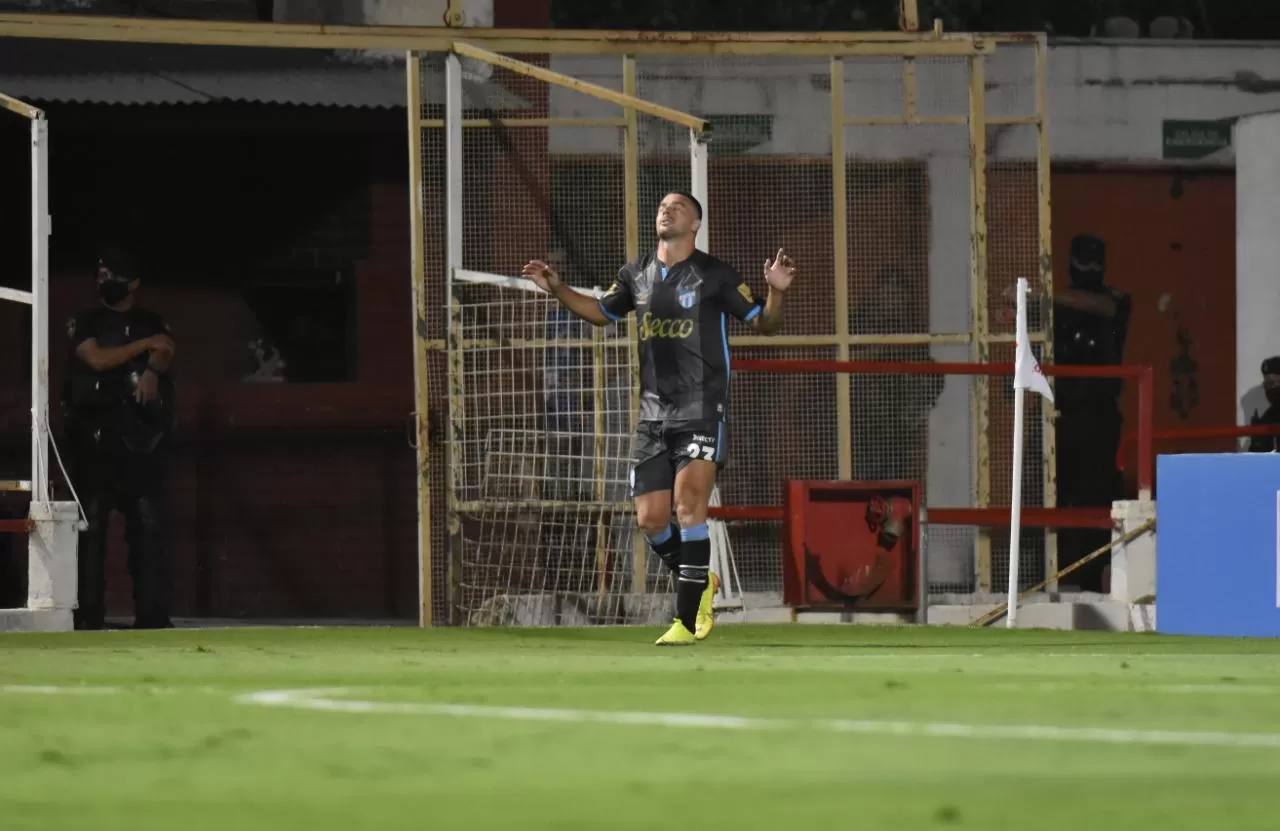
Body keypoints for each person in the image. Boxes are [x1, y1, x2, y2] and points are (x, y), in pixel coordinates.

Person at [522, 191, 795, 645]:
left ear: (695, 225)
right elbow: (600, 313)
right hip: (652, 416)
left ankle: (687, 622)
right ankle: (701, 582)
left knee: (689, 508)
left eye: (678, 208)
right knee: (650, 520)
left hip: (702, 410)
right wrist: (557, 289)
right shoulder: (636, 274)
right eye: (663, 206)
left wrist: (776, 292)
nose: (666, 210)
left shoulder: (715, 274)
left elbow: (764, 323)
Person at [62, 247, 177, 630]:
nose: (102, 281)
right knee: (91, 525)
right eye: (99, 274)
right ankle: (89, 616)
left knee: (148, 525)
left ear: (133, 283)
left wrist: (152, 373)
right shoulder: (86, 319)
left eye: (109, 274)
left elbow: (167, 349)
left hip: (141, 440)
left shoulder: (150, 319)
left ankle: (152, 615)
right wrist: (144, 348)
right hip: (95, 438)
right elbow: (95, 359)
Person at [1053, 233, 1131, 592]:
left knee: (1098, 497)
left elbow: (1102, 306)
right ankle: (1063, 575)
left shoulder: (1114, 300)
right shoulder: (1061, 306)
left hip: (1098, 417)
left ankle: (1098, 576)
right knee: (1061, 494)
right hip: (1062, 415)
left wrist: (1039, 294)